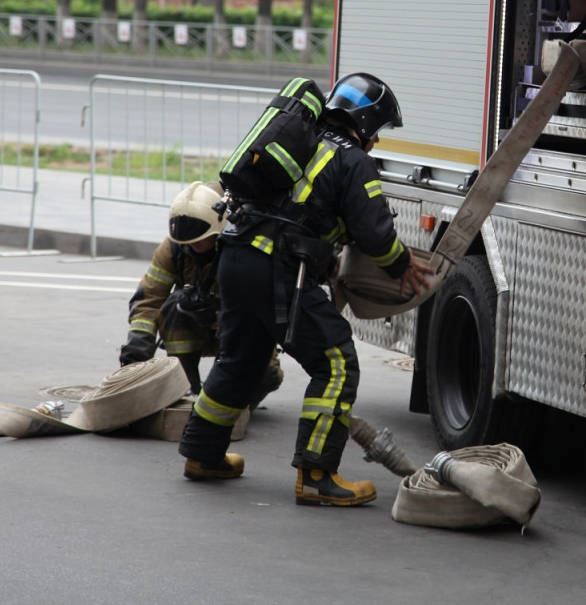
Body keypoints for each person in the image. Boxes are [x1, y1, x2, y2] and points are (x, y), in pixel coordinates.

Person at [178, 73, 434, 503]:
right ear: (366, 123)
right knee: (336, 362)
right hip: (274, 266)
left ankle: (202, 455)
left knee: (240, 360)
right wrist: (401, 264)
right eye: (379, 131)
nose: (377, 142)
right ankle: (316, 475)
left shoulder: (300, 142)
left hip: (236, 255)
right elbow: (373, 232)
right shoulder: (353, 160)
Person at [119, 180, 285, 401]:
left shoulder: (244, 250)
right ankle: (185, 385)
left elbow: (262, 309)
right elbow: (149, 298)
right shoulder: (175, 247)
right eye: (185, 237)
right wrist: (138, 343)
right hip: (198, 325)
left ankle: (230, 386)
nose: (191, 243)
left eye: (198, 235)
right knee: (175, 306)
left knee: (262, 377)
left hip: (241, 330)